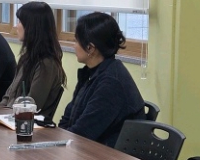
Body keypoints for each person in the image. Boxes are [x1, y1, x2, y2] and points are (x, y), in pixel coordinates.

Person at [59, 12, 145, 147]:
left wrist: (60, 142)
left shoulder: (111, 83)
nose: (73, 46)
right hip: (88, 148)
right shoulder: (90, 72)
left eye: (76, 41)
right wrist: (59, 138)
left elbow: (84, 133)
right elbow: (68, 117)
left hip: (108, 156)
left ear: (90, 48)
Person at [0, 2, 66, 121]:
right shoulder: (27, 58)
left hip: (27, 125)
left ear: (32, 27)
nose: (16, 26)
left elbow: (31, 105)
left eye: (20, 22)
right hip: (10, 119)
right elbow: (9, 95)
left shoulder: (47, 64)